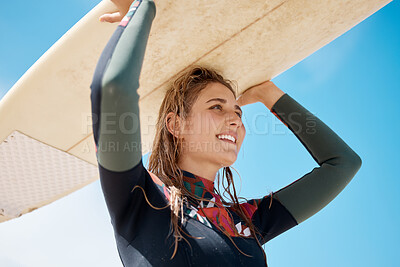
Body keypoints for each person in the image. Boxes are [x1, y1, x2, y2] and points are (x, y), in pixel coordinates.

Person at [90, 0, 362, 266]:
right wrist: (142, 9)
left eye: (239, 112)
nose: (234, 119)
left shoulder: (247, 223)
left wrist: (269, 94)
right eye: (216, 107)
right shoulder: (141, 195)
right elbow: (113, 90)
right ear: (176, 125)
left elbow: (343, 164)